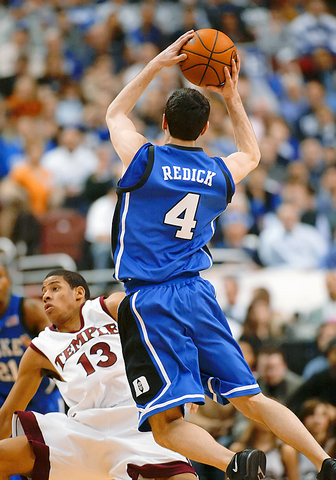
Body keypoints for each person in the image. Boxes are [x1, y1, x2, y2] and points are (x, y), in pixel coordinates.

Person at [106, 30, 336, 479]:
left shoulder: (145, 158)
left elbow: (115, 112)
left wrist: (156, 65)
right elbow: (251, 151)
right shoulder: (218, 173)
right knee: (251, 397)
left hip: (152, 299)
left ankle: (234, 462)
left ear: (166, 124)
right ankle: (324, 461)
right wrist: (231, 94)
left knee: (165, 426)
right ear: (206, 129)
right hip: (199, 293)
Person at [0, 269, 197, 480]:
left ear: (79, 293)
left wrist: (189, 376)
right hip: (84, 431)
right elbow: (7, 415)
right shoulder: (39, 349)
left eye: (55, 288)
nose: (46, 295)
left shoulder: (109, 307)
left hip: (138, 420)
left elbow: (166, 328)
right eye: (44, 291)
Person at [0, 264, 62, 414]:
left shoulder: (29, 309)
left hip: (40, 401)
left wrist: (41, 350)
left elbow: (62, 348)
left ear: (8, 281)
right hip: (5, 402)